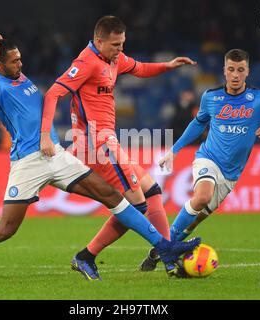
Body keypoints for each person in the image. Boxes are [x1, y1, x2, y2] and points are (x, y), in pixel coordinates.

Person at [0, 31, 200, 283]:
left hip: (55, 154)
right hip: (28, 162)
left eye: (20, 59)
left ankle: (164, 247)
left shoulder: (21, 78)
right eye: (14, 61)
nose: (20, 64)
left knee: (113, 196)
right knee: (5, 229)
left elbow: (12, 67)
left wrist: (2, 44)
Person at [40, 16, 197, 278]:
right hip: (96, 145)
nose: (120, 50)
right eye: (115, 45)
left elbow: (140, 68)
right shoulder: (86, 62)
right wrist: (46, 135)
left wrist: (168, 65)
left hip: (107, 141)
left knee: (152, 190)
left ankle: (166, 254)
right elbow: (53, 93)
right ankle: (87, 256)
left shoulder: (113, 58)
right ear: (99, 41)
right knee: (136, 205)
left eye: (123, 43)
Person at [141, 49, 260, 271]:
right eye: (231, 69)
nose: (235, 75)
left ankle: (159, 251)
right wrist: (174, 150)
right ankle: (165, 248)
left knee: (195, 220)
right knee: (202, 196)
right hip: (208, 159)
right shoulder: (211, 97)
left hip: (231, 175)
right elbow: (198, 123)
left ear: (247, 71)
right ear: (224, 70)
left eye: (240, 70)